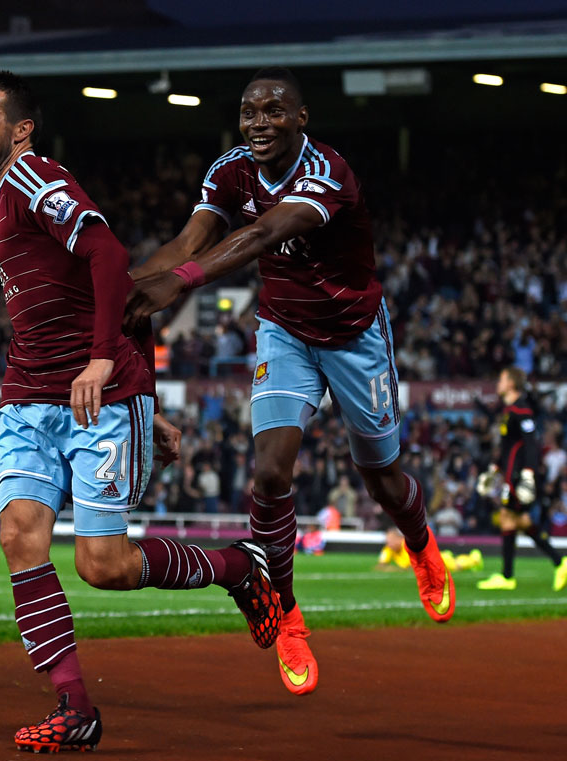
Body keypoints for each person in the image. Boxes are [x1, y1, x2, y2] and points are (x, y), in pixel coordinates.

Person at [0, 70, 281, 754]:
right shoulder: (7, 199)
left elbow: (108, 256)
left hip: (92, 399)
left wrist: (108, 363)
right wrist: (148, 394)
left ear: (21, 129)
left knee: (102, 565)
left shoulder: (31, 179)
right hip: (30, 396)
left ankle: (239, 567)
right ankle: (74, 708)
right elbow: (123, 290)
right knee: (20, 537)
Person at [126, 67, 454, 697]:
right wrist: (129, 284)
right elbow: (189, 240)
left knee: (382, 478)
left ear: (302, 119)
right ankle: (288, 615)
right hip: (284, 332)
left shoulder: (327, 173)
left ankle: (418, 539)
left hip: (356, 334)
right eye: (250, 112)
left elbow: (261, 233)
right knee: (270, 474)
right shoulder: (229, 170)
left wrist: (183, 284)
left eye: (275, 111)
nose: (260, 122)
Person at [475, 366, 567, 591]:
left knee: (506, 516)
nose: (498, 383)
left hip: (519, 476)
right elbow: (507, 447)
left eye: (501, 379)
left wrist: (529, 474)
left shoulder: (522, 410)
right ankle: (560, 562)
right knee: (520, 521)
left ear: (511, 384)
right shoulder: (510, 410)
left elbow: (530, 444)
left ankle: (508, 576)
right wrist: (494, 469)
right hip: (511, 474)